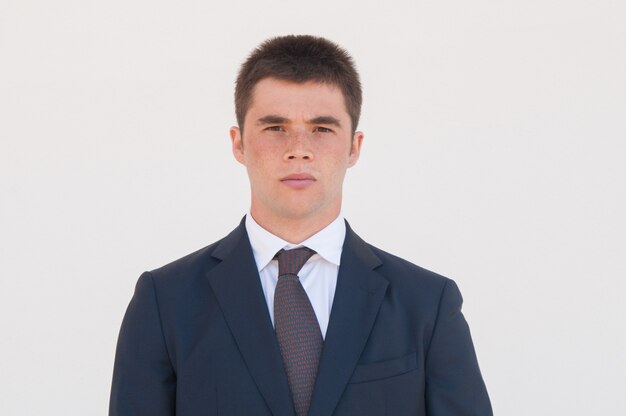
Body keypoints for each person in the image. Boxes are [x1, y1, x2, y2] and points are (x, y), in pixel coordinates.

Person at [109, 35, 493, 416]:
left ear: (354, 147)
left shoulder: (426, 303)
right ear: (238, 143)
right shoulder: (166, 302)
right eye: (275, 128)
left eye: (322, 129)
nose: (298, 148)